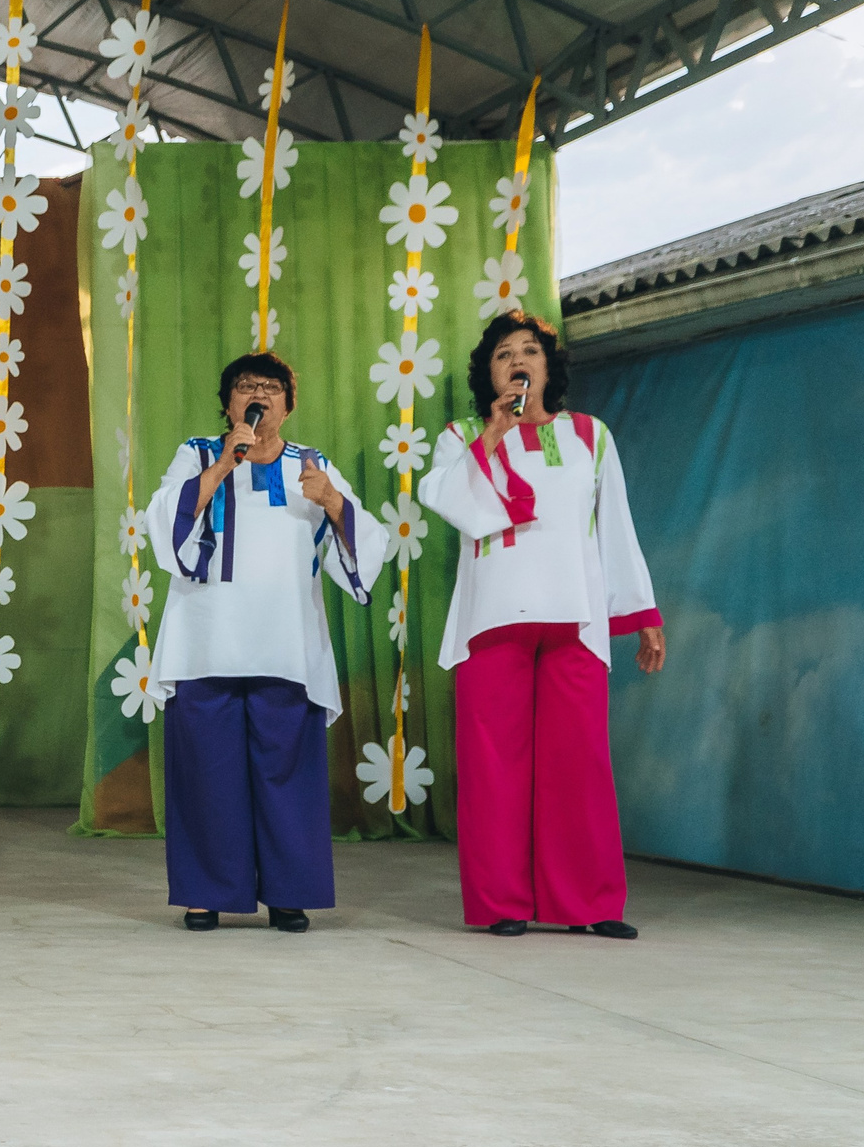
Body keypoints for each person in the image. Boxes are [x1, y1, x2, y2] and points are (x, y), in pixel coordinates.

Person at [416, 311, 663, 939]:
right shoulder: (461, 434)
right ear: (489, 373)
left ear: (549, 368)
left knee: (579, 764)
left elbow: (616, 526)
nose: (518, 360)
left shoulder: (591, 435)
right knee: (492, 767)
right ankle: (501, 903)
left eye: (530, 351)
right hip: (492, 616)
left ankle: (590, 905)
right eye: (504, 354)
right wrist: (494, 435)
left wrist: (641, 613)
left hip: (575, 617)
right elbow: (444, 497)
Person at [146, 353, 380, 933]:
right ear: (228, 404)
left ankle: (288, 892)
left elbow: (365, 543)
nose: (260, 395)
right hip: (206, 639)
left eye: (272, 388)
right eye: (247, 387)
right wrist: (226, 462)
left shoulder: (312, 464)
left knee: (287, 774)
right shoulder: (200, 453)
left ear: (289, 405)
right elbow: (163, 520)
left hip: (286, 643)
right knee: (206, 771)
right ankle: (205, 893)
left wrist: (330, 499)